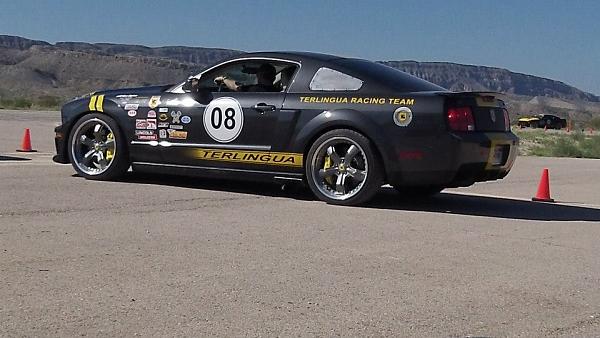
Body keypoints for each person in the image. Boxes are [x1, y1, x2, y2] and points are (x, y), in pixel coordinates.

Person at [214, 63, 278, 92]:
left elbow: (236, 87)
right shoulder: (276, 91)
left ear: (259, 75)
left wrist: (223, 79)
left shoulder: (255, 89)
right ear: (274, 78)